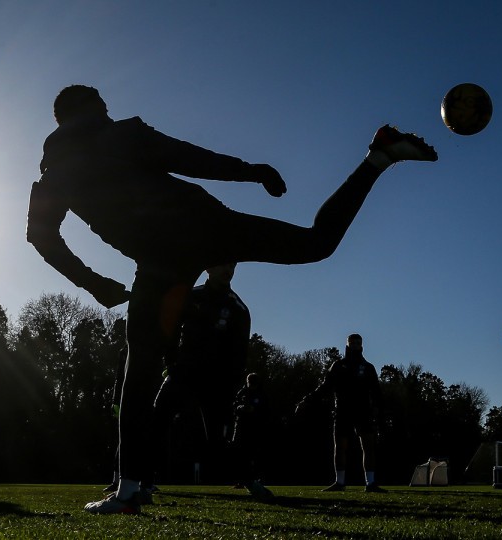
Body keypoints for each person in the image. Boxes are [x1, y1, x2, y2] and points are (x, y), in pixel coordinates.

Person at [26, 85, 437, 514]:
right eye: (103, 108)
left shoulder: (55, 173)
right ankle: (378, 158)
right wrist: (251, 171)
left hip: (163, 255)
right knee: (316, 243)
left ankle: (128, 489)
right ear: (91, 109)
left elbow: (40, 235)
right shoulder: (116, 136)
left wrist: (94, 283)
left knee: (140, 371)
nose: (108, 113)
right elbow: (187, 156)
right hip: (197, 229)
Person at [152, 263, 250, 487]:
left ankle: (245, 479)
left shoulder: (238, 308)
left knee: (218, 437)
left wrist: (232, 383)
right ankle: (143, 480)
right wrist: (171, 363)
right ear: (209, 268)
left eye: (232, 265)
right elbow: (170, 328)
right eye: (223, 264)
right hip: (183, 373)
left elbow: (240, 352)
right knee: (157, 421)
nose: (228, 270)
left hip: (216, 381)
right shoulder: (190, 295)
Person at [296, 334, 383, 493]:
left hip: (363, 411)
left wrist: (377, 408)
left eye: (358, 342)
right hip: (343, 410)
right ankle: (340, 482)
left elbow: (376, 391)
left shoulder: (368, 367)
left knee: (368, 446)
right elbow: (325, 386)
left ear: (361, 345)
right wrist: (307, 400)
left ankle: (370, 483)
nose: (356, 344)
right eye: (353, 342)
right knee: (340, 447)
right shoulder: (338, 365)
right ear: (347, 344)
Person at [231, 372, 273, 500]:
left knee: (253, 455)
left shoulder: (262, 395)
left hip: (255, 429)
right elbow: (234, 407)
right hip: (241, 428)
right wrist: (241, 408)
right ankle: (243, 479)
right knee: (240, 454)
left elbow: (265, 411)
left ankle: (255, 480)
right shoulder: (242, 393)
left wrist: (254, 410)